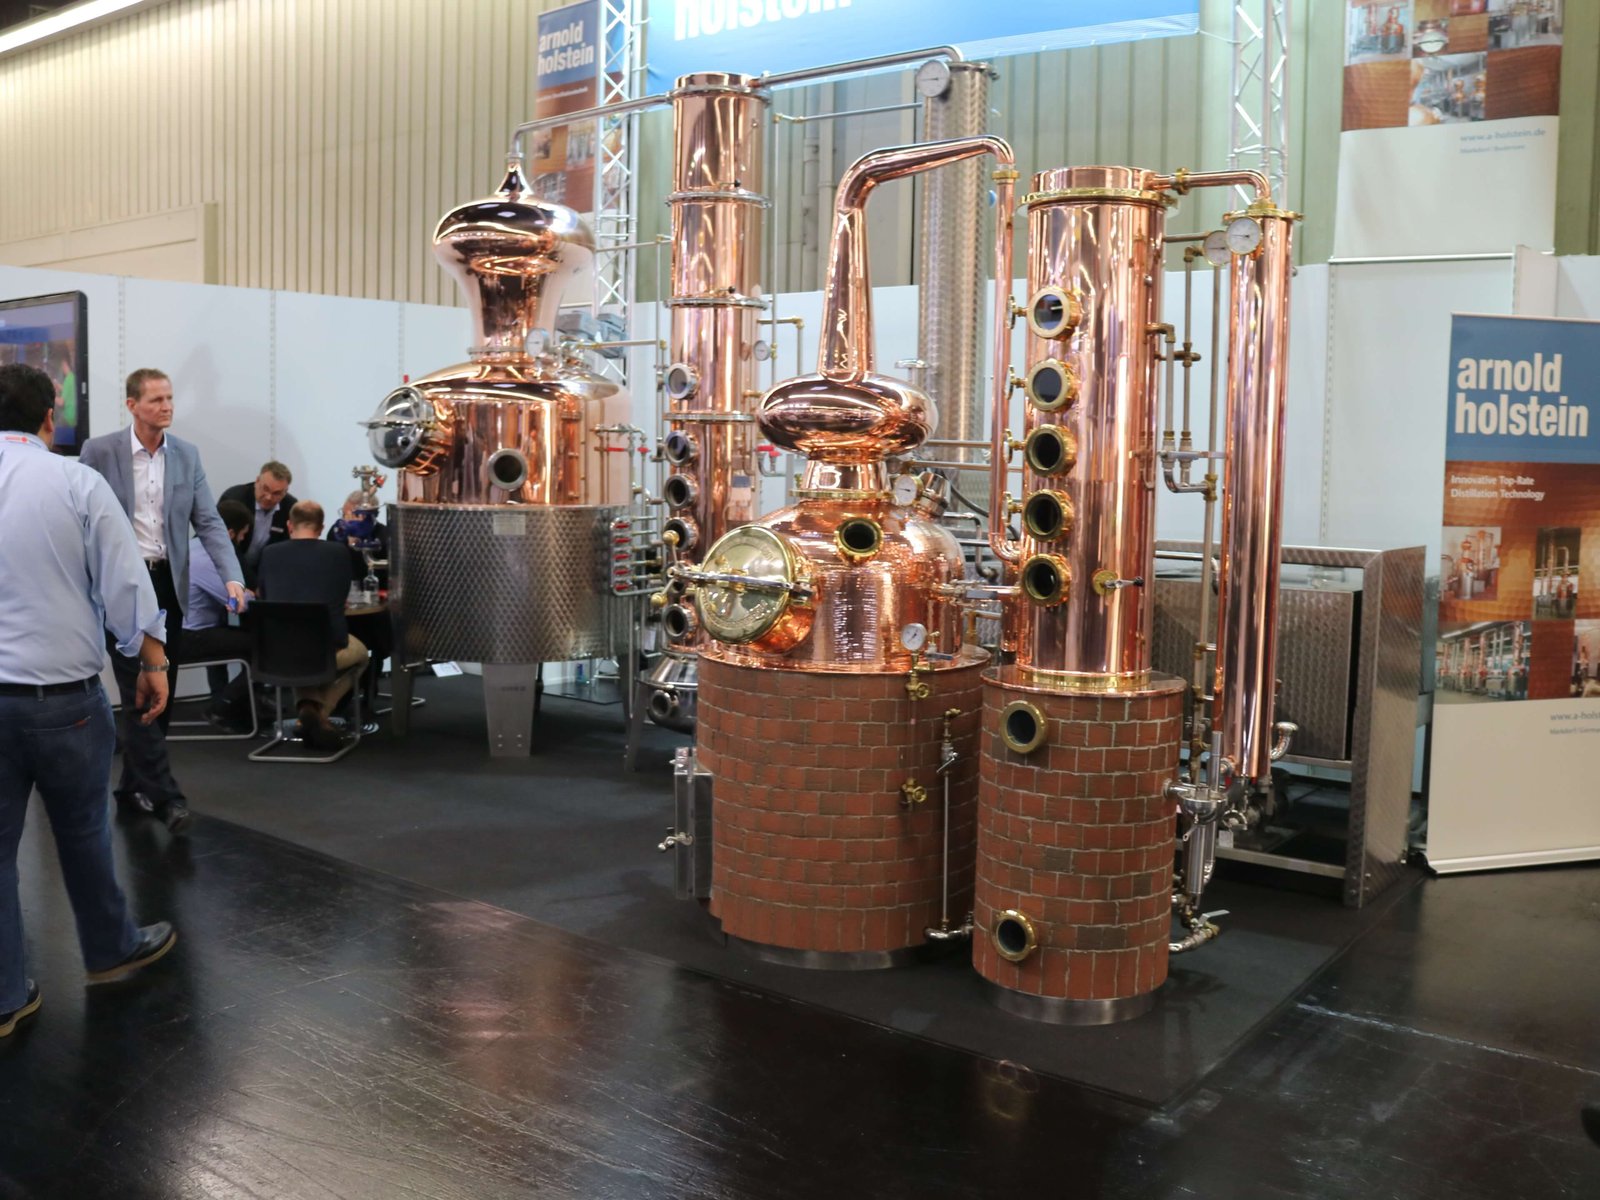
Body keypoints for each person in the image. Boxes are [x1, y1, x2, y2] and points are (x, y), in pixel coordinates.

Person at [0, 364, 179, 1038]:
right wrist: (151, 660)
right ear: (49, 417)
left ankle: (5, 996)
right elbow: (127, 584)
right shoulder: (76, 482)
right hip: (65, 701)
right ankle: (109, 949)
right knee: (83, 832)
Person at [79, 368, 247, 834]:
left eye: (170, 398)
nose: (167, 406)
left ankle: (132, 787)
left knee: (162, 692)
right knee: (138, 686)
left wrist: (232, 577)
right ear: (132, 405)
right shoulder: (99, 452)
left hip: (168, 587)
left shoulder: (186, 455)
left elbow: (209, 521)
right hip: (121, 587)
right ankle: (168, 797)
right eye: (156, 399)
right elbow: (79, 516)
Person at [257, 501, 369, 749]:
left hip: (277, 652)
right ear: (321, 528)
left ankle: (307, 710)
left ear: (289, 525)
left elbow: (263, 594)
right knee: (361, 655)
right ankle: (318, 712)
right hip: (326, 649)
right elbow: (343, 595)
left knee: (302, 651)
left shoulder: (269, 554)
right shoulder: (338, 553)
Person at [183, 498, 258, 732]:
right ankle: (222, 706)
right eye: (242, 535)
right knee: (265, 647)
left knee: (237, 640)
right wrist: (250, 594)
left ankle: (232, 707)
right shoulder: (207, 557)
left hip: (185, 631)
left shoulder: (192, 547)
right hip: (191, 636)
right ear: (230, 533)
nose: (242, 541)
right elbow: (237, 602)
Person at [220, 461, 296, 583]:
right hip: (229, 569)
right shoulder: (235, 499)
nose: (269, 497)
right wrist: (253, 583)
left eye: (277, 493)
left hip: (265, 573)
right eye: (265, 489)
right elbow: (225, 546)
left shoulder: (290, 508)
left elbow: (285, 551)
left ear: (285, 492)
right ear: (257, 481)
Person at [328, 489, 389, 585]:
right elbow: (334, 567)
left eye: (350, 516)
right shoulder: (337, 532)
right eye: (344, 514)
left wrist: (355, 541)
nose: (345, 520)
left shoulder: (385, 536)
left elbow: (365, 573)